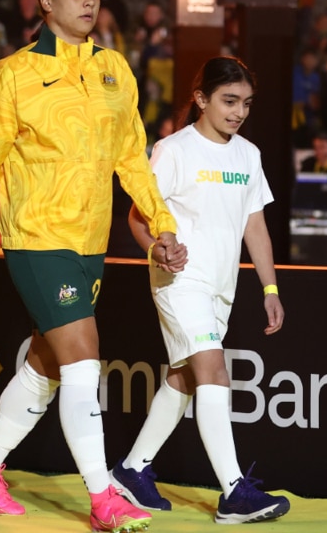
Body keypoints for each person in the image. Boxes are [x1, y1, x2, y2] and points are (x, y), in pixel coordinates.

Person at [0, 0, 185, 532]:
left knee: (48, 361)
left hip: (89, 239)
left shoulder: (115, 69)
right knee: (82, 356)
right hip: (37, 237)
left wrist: (161, 223)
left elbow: (133, 160)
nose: (89, 0)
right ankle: (103, 497)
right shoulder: (13, 73)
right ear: (45, 2)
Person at [110, 56, 290, 524]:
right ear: (201, 99)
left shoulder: (248, 155)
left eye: (246, 103)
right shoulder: (173, 150)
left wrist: (269, 287)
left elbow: (256, 227)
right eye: (229, 101)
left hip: (222, 286)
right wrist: (155, 251)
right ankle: (233, 491)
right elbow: (136, 216)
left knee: (184, 377)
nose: (239, 112)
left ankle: (131, 469)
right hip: (178, 279)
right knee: (212, 368)